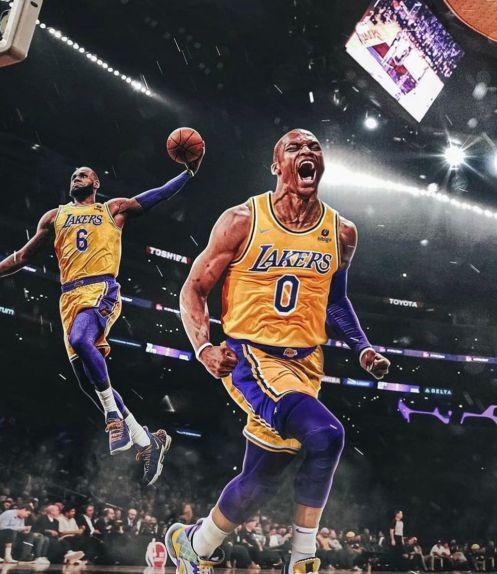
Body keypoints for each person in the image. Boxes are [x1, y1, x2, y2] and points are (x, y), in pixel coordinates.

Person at [169, 129, 390, 574]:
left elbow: (336, 300)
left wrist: (362, 347)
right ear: (276, 166)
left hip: (307, 364)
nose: (307, 152)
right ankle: (302, 558)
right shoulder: (242, 220)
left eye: (314, 147)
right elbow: (194, 288)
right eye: (295, 147)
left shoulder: (342, 232)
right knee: (327, 436)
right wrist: (204, 347)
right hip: (251, 356)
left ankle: (194, 544)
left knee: (261, 480)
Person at [0, 144, 204, 486]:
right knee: (86, 380)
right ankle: (147, 442)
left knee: (81, 340)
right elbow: (21, 258)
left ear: (96, 182)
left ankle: (113, 418)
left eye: (83, 174)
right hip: (68, 297)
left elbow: (155, 196)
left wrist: (187, 173)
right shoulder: (54, 217)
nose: (76, 177)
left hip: (101, 288)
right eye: (73, 175)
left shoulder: (112, 209)